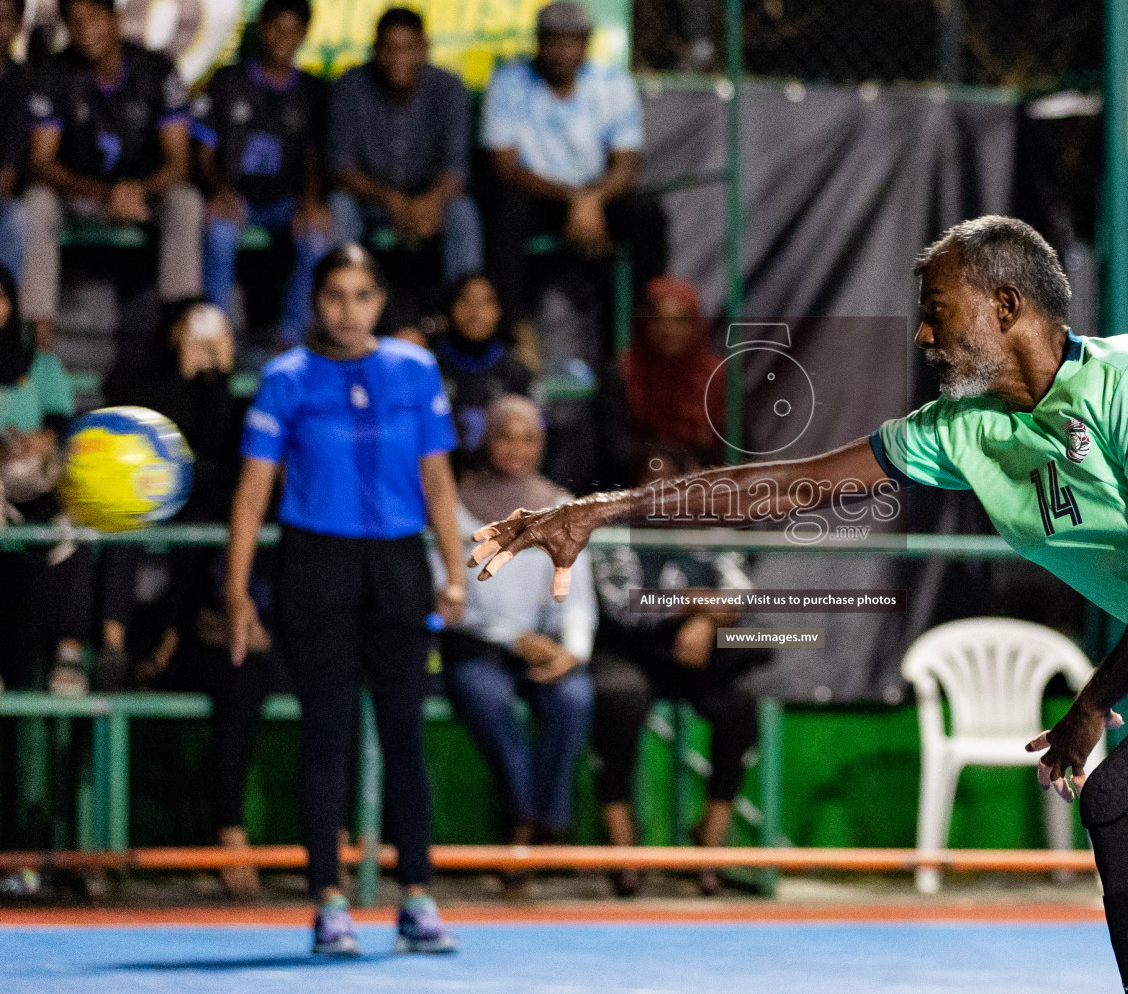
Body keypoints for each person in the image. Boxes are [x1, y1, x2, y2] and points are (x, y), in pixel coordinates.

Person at [468, 215, 1128, 993]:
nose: (927, 339)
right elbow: (786, 483)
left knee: (1124, 800)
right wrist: (605, 509)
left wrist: (1091, 704)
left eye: (939, 316)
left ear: (1009, 307)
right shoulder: (961, 427)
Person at [227, 243, 465, 955]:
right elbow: (251, 496)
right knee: (326, 737)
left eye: (362, 296)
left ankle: (417, 897)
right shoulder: (284, 380)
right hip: (316, 569)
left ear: (381, 301)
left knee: (405, 738)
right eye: (334, 296)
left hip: (398, 567)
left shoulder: (416, 370)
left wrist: (455, 572)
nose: (348, 311)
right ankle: (329, 901)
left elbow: (440, 484)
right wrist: (237, 589)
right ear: (316, 302)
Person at [102, 297, 267, 897]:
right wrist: (181, 379)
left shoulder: (233, 400)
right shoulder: (134, 387)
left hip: (193, 617)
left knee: (244, 669)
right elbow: (159, 466)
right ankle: (95, 857)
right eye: (195, 328)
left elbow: (223, 479)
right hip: (122, 628)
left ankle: (228, 832)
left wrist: (216, 382)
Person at [588, 446, 760, 897]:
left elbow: (740, 592)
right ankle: (624, 839)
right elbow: (624, 604)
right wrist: (696, 606)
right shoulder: (613, 531)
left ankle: (712, 838)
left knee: (741, 702)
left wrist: (704, 622)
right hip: (628, 651)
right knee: (618, 698)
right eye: (651, 483)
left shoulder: (714, 530)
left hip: (694, 652)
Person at [439, 395, 595, 857]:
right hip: (476, 648)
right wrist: (513, 637)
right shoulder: (455, 505)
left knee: (574, 697)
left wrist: (573, 651)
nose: (516, 447)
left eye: (528, 438)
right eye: (505, 435)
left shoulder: (561, 507)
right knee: (487, 697)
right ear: (487, 440)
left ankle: (536, 825)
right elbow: (449, 596)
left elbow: (578, 597)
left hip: (545, 651)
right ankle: (529, 819)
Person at [23, 0, 202, 351]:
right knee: (36, 203)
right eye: (75, 21)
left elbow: (179, 162)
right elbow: (41, 163)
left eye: (95, 17)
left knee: (185, 201)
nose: (86, 30)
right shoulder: (54, 74)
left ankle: (181, 332)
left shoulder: (155, 69)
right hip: (82, 194)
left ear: (117, 18)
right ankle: (37, 342)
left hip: (143, 194)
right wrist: (106, 194)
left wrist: (136, 191)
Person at [482, 0, 667, 322]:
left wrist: (591, 200)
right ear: (538, 41)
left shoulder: (613, 83)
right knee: (504, 213)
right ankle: (513, 331)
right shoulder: (509, 82)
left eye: (572, 41)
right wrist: (575, 200)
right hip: (538, 197)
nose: (562, 51)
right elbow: (504, 167)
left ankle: (637, 327)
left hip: (598, 196)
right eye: (553, 40)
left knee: (647, 214)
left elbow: (626, 167)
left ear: (586, 43)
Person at [193, 0, 330, 347]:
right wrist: (219, 190)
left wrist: (310, 201)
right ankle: (215, 334)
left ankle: (293, 337)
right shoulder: (227, 80)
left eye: (293, 30)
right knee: (220, 230)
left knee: (316, 236)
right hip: (235, 195)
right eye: (275, 28)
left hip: (286, 201)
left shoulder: (312, 91)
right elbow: (204, 152)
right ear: (262, 28)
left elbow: (315, 159)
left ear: (304, 34)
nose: (282, 38)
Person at [328, 8, 480, 282]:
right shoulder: (350, 88)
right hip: (371, 202)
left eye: (408, 47)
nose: (398, 58)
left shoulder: (448, 89)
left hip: (430, 204)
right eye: (389, 48)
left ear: (424, 48)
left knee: (462, 211)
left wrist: (429, 202)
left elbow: (457, 169)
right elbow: (341, 169)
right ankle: (341, 305)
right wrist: (391, 200)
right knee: (339, 206)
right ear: (375, 50)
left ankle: (464, 308)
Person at [0, 263, 90, 696]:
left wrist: (44, 438)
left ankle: (68, 653)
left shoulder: (38, 360)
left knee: (74, 516)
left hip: (35, 481)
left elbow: (61, 418)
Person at [615, 277, 723, 469]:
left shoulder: (714, 378)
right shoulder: (627, 373)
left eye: (680, 321)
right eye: (659, 320)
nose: (669, 331)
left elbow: (735, 448)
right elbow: (615, 445)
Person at [429, 273, 532, 471]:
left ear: (499, 310)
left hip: (502, 484)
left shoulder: (515, 370)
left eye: (486, 302)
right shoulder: (430, 368)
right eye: (465, 301)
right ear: (450, 307)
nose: (475, 312)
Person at [0, 0, 31, 281]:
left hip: (2, 199)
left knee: (16, 216)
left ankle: (6, 321)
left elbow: (8, 175)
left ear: (19, 25)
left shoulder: (22, 83)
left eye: (4, 18)